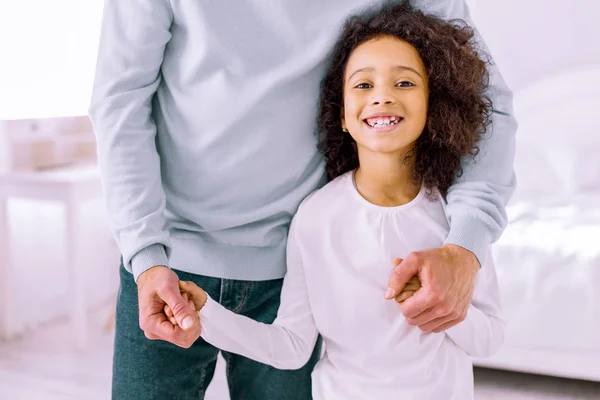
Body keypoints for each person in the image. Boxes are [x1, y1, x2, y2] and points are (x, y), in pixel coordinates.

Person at [88, 0, 516, 399]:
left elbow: (485, 99)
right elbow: (120, 102)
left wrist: (464, 249)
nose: (383, 95)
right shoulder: (323, 219)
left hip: (289, 265)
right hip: (165, 262)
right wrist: (146, 256)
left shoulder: (354, 223)